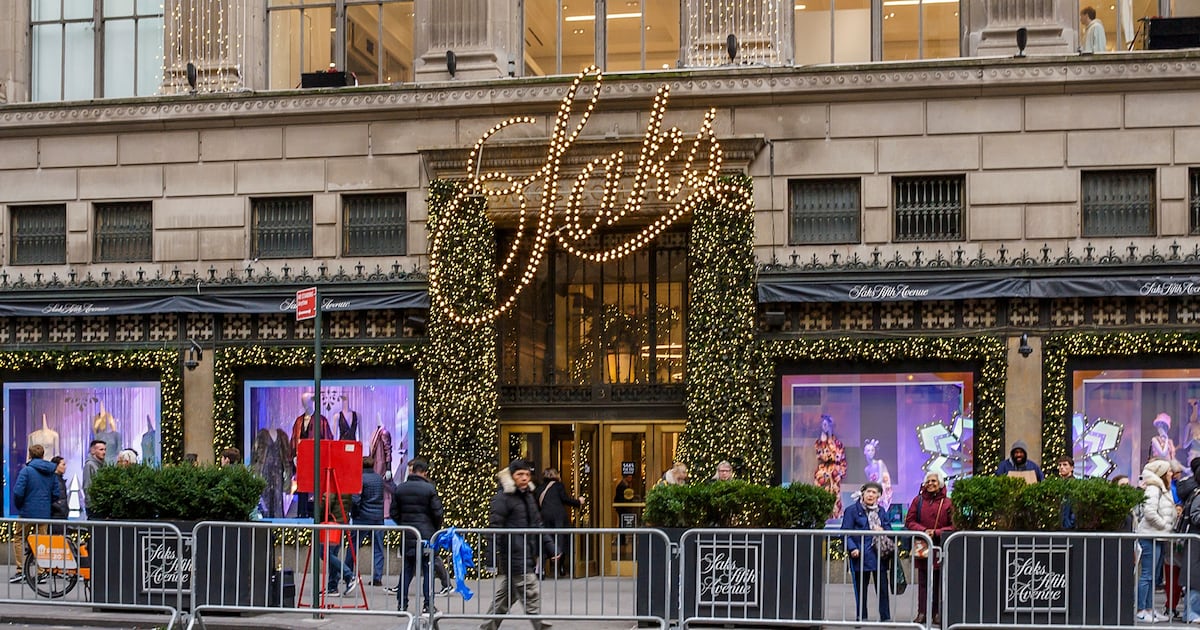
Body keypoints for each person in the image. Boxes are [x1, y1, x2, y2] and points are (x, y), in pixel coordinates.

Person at [481, 459, 558, 630]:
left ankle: (486, 628)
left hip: (524, 553)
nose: (524, 478)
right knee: (531, 595)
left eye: (527, 474)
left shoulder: (528, 496)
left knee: (504, 599)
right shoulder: (503, 498)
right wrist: (491, 559)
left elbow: (537, 523)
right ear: (512, 476)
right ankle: (543, 627)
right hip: (515, 555)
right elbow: (494, 528)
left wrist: (550, 546)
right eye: (520, 474)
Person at [390, 457, 443, 613]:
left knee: (407, 569)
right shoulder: (429, 489)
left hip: (408, 534)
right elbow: (438, 512)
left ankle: (402, 604)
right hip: (426, 534)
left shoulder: (401, 488)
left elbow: (393, 511)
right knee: (427, 570)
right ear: (425, 472)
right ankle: (428, 604)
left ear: (412, 471)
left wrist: (404, 523)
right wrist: (434, 528)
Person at [905, 471, 953, 626]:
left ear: (940, 484)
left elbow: (955, 525)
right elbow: (910, 521)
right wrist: (924, 530)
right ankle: (922, 613)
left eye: (934, 481)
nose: (931, 483)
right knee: (923, 582)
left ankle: (937, 613)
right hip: (923, 547)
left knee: (939, 582)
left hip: (940, 547)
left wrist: (937, 532)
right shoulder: (917, 501)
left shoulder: (948, 503)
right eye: (928, 481)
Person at [842, 481, 892, 623]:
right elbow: (846, 532)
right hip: (860, 556)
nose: (871, 495)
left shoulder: (882, 511)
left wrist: (882, 530)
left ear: (879, 496)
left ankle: (885, 616)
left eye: (874, 492)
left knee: (882, 588)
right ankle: (861, 616)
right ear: (862, 493)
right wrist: (852, 548)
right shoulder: (852, 510)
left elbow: (889, 530)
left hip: (879, 555)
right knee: (861, 589)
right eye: (868, 491)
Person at [12, 444, 62, 584]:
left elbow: (18, 492)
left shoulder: (26, 471)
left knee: (19, 538)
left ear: (30, 455)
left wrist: (20, 505)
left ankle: (21, 570)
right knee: (42, 542)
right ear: (43, 455)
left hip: (27, 512)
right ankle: (41, 572)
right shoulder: (51, 472)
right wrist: (46, 504)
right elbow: (56, 494)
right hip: (44, 513)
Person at [1136, 459, 1176, 623]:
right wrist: (1164, 524)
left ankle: (1150, 608)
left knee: (1153, 576)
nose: (1171, 474)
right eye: (1169, 471)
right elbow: (1150, 512)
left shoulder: (1161, 488)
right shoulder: (1153, 488)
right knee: (1147, 575)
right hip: (1150, 535)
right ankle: (1141, 609)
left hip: (1158, 536)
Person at [539, 467, 585, 577]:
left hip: (544, 517)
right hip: (559, 517)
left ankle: (542, 569)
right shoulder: (559, 486)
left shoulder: (540, 487)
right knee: (562, 541)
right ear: (556, 475)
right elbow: (565, 499)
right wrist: (578, 501)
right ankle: (561, 567)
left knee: (545, 540)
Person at [316, 490, 359, 598]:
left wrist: (318, 516)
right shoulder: (345, 485)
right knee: (332, 554)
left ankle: (348, 575)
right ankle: (332, 586)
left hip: (332, 522)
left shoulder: (332, 484)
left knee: (324, 552)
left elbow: (327, 502)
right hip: (341, 521)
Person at [353, 456, 387, 587]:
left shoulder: (360, 479)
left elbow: (356, 499)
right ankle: (377, 577)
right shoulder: (379, 479)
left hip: (362, 517)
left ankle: (348, 574)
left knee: (353, 547)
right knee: (378, 548)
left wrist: (355, 513)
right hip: (378, 518)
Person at [815, 415, 848, 517]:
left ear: (830, 426)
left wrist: (841, 473)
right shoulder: (819, 442)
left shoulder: (838, 443)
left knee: (835, 495)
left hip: (835, 472)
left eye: (826, 424)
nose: (824, 426)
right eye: (823, 424)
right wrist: (824, 441)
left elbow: (841, 459)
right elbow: (822, 456)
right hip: (824, 471)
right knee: (821, 494)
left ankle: (835, 516)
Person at [862, 439, 893, 509]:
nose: (871, 452)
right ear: (865, 452)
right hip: (875, 491)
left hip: (883, 491)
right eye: (868, 450)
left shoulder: (879, 463)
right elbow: (870, 482)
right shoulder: (866, 469)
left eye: (872, 450)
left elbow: (880, 480)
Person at [81, 439, 107, 511]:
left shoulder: (104, 464)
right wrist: (91, 505)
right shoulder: (89, 465)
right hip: (93, 506)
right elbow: (87, 486)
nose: (104, 452)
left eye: (105, 449)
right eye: (101, 449)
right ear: (93, 451)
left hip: (102, 504)